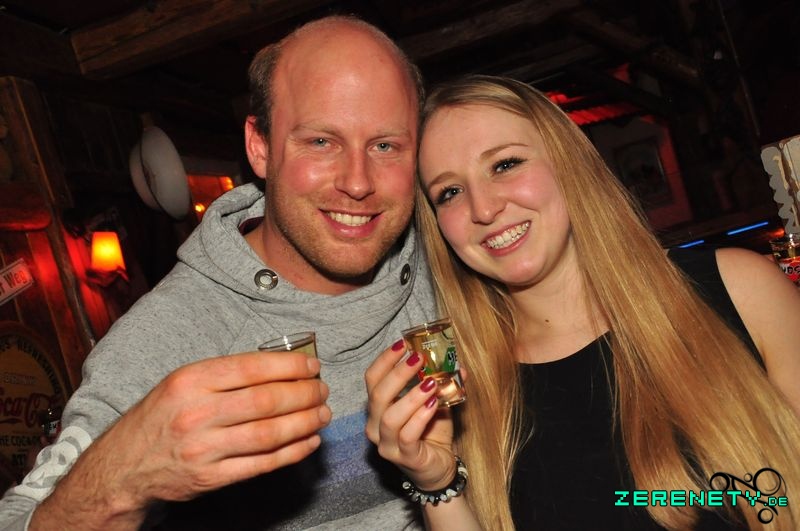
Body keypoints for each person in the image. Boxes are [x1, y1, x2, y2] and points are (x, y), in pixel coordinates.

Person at [0, 15, 437, 531]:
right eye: (321, 142)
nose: (358, 183)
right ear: (260, 147)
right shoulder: (174, 336)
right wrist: (118, 481)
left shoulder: (448, 259)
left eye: (385, 145)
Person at [365, 75, 800, 531]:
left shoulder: (738, 289)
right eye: (449, 192)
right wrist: (438, 485)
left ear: (568, 162)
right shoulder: (462, 384)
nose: (484, 209)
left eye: (505, 164)